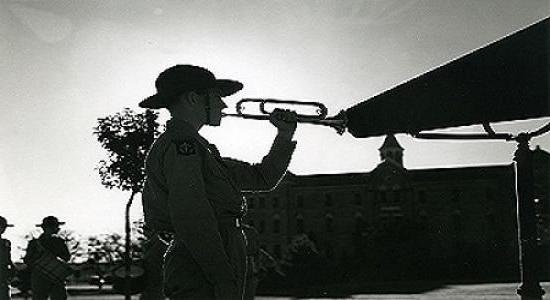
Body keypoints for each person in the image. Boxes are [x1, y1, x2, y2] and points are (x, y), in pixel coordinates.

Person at [139, 64, 297, 300]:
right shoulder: (183, 146)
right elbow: (192, 215)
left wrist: (284, 135)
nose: (223, 105)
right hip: (204, 260)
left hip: (217, 253)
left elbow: (263, 178)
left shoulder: (202, 150)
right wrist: (220, 275)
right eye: (216, 97)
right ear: (193, 98)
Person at [23, 216, 71, 300]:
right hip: (56, 275)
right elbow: (66, 257)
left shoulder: (34, 243)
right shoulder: (59, 242)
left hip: (39, 275)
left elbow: (27, 260)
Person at [0, 216, 15, 300]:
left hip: (3, 273)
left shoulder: (6, 243)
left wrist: (12, 268)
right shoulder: (5, 243)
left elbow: (7, 258)